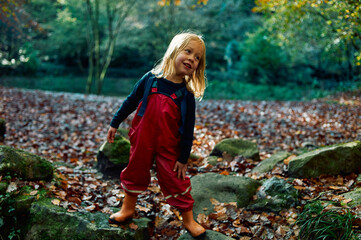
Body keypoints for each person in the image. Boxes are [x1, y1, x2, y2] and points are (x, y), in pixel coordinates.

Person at [106, 31, 207, 238]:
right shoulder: (150, 78)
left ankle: (188, 220)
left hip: (169, 145)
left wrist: (183, 158)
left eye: (197, 57)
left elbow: (189, 128)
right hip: (142, 138)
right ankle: (128, 209)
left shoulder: (185, 94)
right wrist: (115, 122)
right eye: (188, 51)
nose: (191, 58)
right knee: (134, 170)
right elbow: (130, 101)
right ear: (174, 51)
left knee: (176, 178)